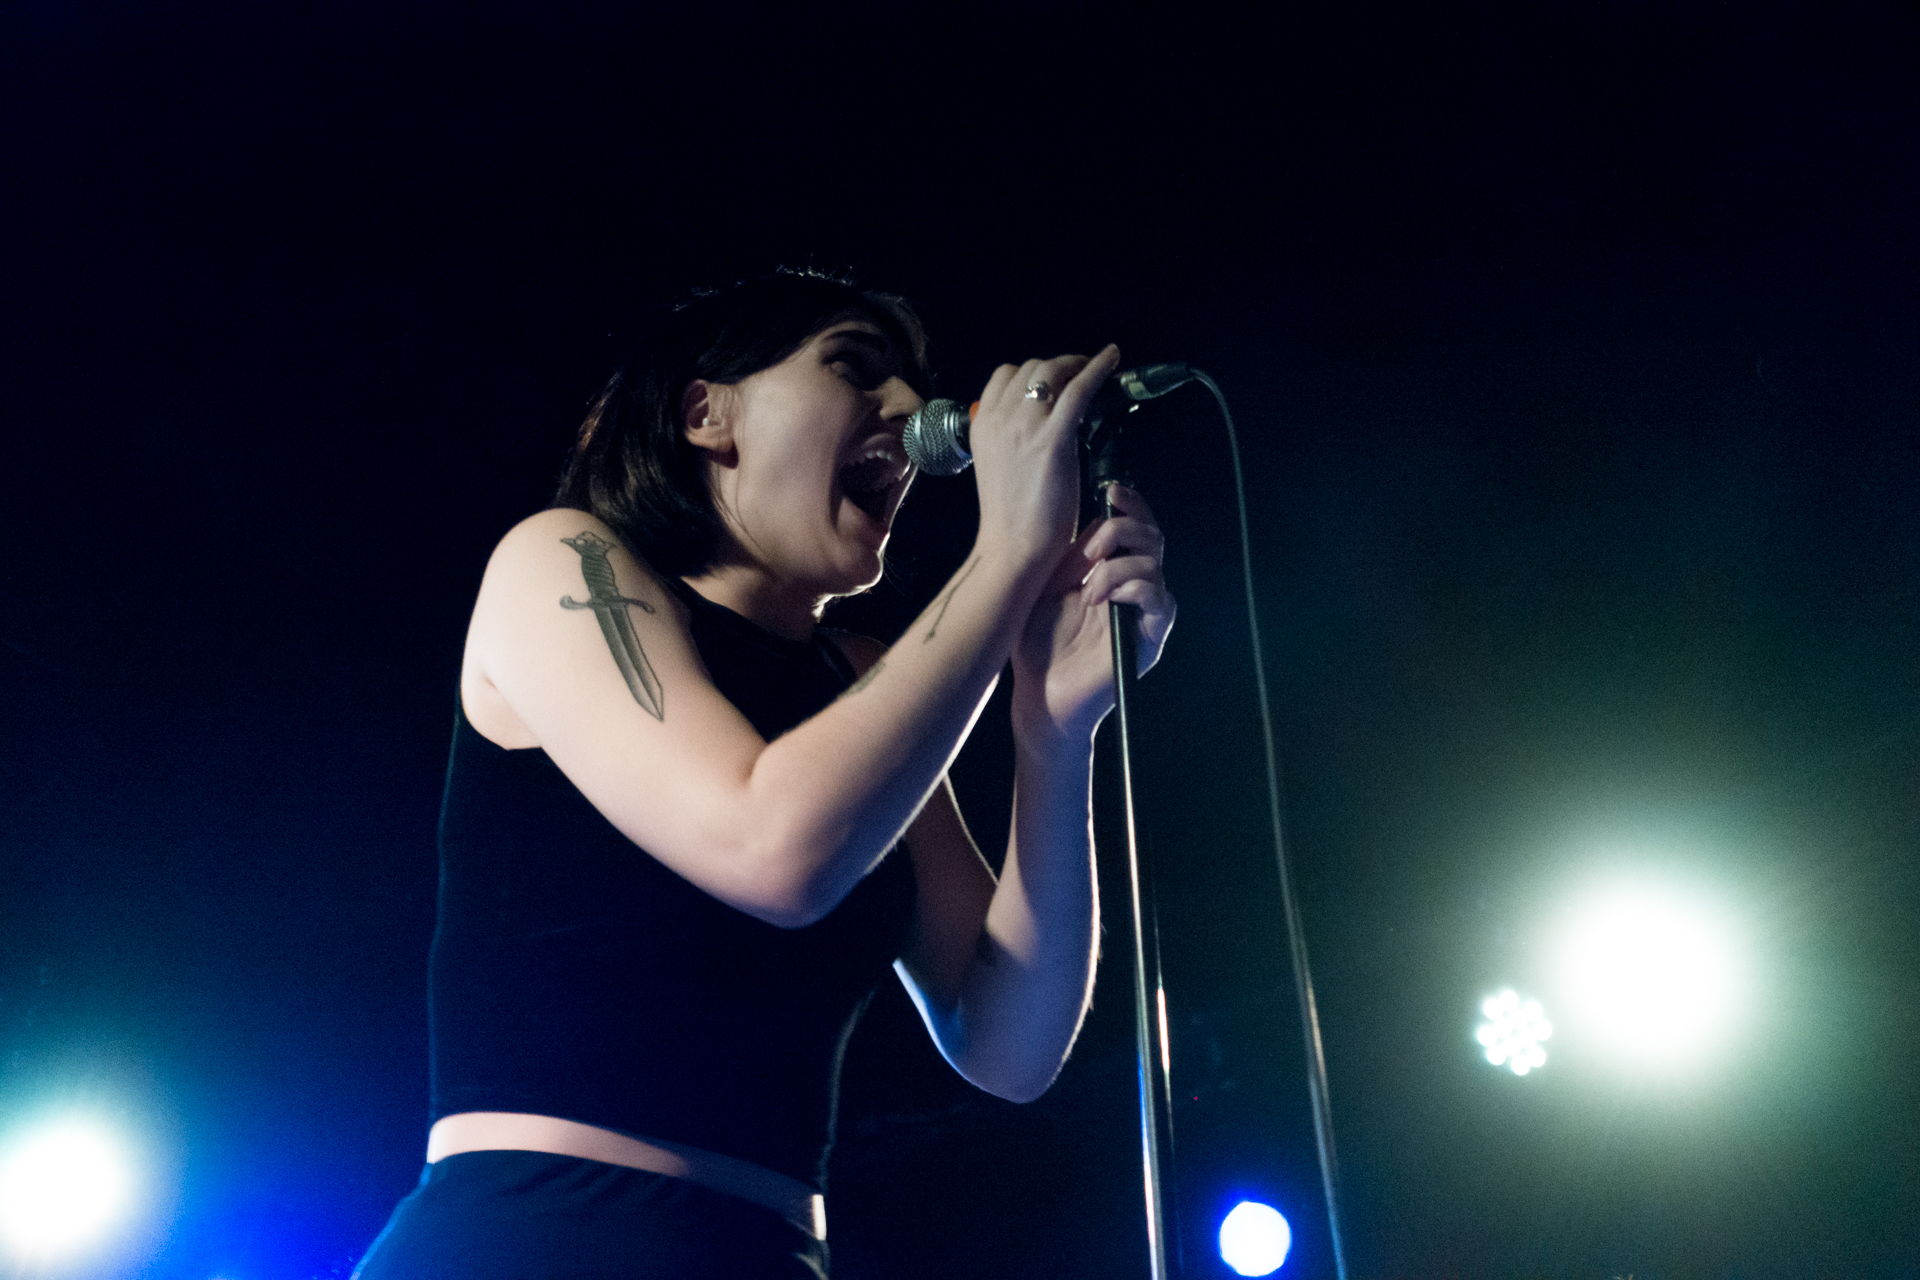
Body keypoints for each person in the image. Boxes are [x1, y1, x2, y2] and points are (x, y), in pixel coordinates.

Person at [353, 271, 1175, 1278]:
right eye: (854, 367)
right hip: (532, 1238)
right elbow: (771, 843)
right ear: (707, 412)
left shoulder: (862, 680)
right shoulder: (564, 565)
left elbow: (1005, 1039)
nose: (914, 414)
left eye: (917, 386)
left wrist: (1053, 732)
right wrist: (1007, 556)